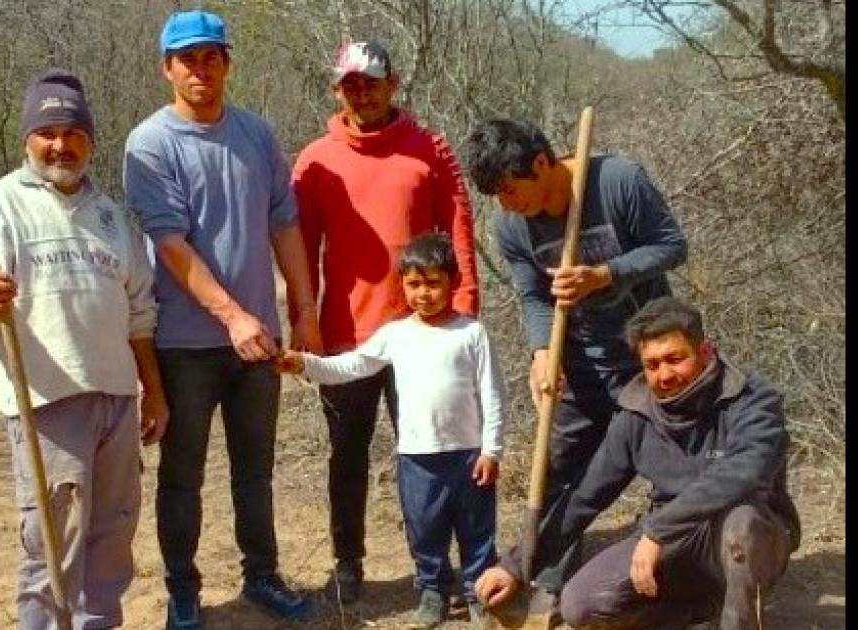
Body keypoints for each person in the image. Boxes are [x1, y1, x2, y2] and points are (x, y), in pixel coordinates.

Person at [0, 68, 168, 629]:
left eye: (73, 133)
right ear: (28, 140)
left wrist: (153, 394)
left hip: (116, 398)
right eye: (48, 133)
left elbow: (141, 313)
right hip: (45, 402)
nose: (61, 145)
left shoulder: (114, 218)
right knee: (52, 541)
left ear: (90, 139)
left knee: (113, 533)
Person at [121, 9, 322, 629]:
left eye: (211, 56)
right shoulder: (149, 145)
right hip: (185, 345)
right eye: (188, 59)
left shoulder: (257, 135)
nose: (200, 68)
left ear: (228, 62)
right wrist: (232, 316)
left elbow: (283, 223)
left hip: (257, 339)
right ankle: (183, 591)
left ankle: (262, 575)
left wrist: (303, 309)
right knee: (182, 476)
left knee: (255, 470)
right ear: (167, 68)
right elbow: (172, 246)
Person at [476, 296, 801, 630]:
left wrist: (658, 531)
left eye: (675, 359)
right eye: (653, 364)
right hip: (672, 540)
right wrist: (515, 566)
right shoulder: (636, 413)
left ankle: (739, 622)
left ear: (705, 352)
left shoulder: (753, 400)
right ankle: (699, 610)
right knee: (580, 606)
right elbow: (583, 499)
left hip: (746, 532)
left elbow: (745, 472)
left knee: (742, 523)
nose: (664, 375)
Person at [460, 118, 688, 591]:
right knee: (559, 473)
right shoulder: (511, 227)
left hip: (650, 360)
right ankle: (545, 584)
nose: (506, 204)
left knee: (675, 472)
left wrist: (606, 274)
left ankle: (685, 577)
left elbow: (671, 246)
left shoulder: (617, 180)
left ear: (540, 163)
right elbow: (533, 295)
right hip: (582, 362)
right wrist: (542, 351)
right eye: (496, 196)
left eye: (509, 189)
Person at [290, 39, 480, 602]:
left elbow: (460, 230)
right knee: (346, 455)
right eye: (351, 83)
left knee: (431, 457)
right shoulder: (315, 159)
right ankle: (348, 562)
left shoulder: (430, 151)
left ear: (393, 82)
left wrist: (465, 306)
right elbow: (300, 247)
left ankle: (440, 571)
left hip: (424, 338)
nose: (362, 91)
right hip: (347, 335)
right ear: (336, 89)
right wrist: (305, 320)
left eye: (372, 80)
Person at [279, 233, 504, 628]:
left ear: (451, 281)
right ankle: (433, 589)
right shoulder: (397, 334)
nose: (424, 293)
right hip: (417, 458)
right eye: (414, 284)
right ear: (402, 285)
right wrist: (307, 364)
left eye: (433, 283)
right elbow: (351, 365)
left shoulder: (472, 334)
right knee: (424, 527)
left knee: (476, 529)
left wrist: (492, 449)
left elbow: (492, 395)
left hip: (468, 455)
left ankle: (478, 592)